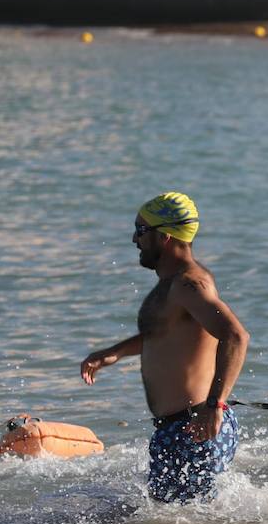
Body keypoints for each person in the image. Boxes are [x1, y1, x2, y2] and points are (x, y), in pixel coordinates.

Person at [80, 192, 250, 503]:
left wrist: (215, 406)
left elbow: (236, 336)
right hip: (181, 428)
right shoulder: (172, 285)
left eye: (141, 231)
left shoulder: (190, 285)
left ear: (166, 236)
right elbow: (166, 336)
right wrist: (113, 353)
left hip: (194, 427)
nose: (134, 239)